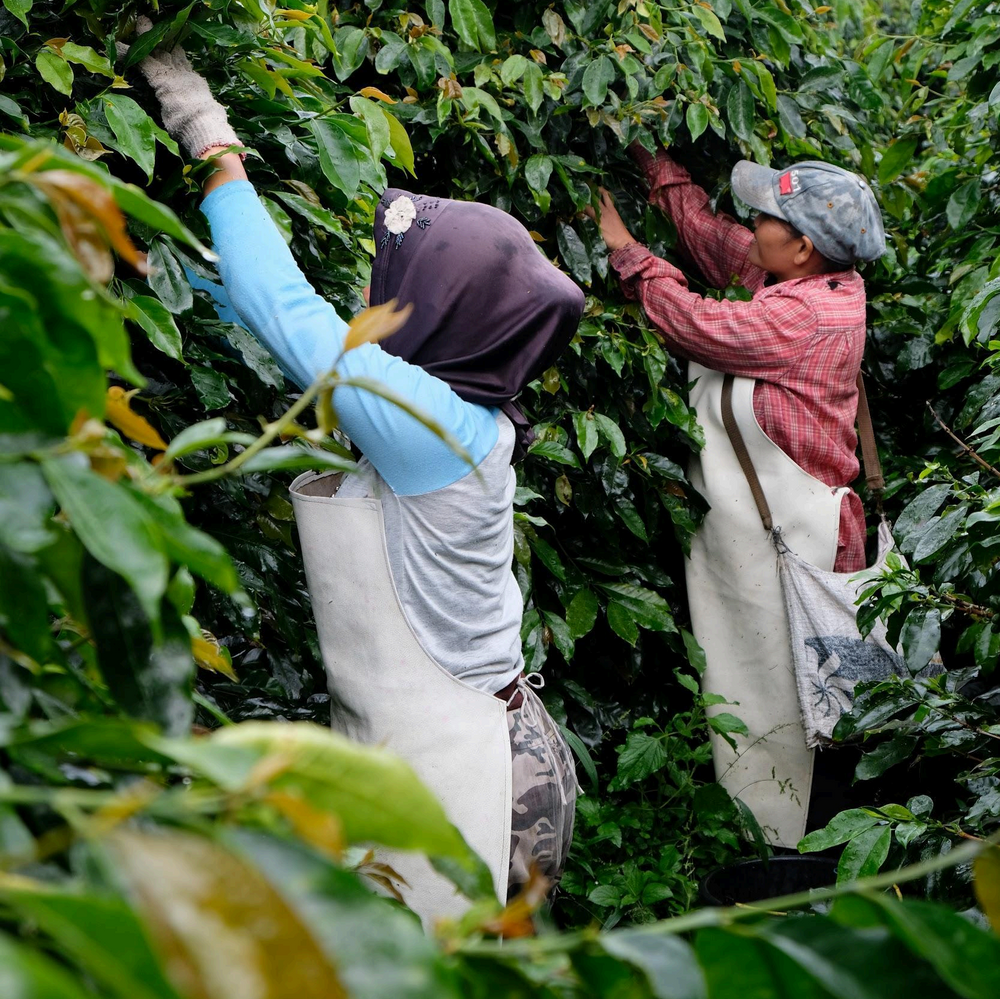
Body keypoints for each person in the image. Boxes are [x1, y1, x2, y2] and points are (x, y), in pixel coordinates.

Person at [123, 24, 581, 922]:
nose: (376, 300)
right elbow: (259, 305)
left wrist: (210, 137)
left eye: (398, 286)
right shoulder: (459, 411)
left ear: (446, 312)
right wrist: (151, 260)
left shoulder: (429, 425)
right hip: (468, 749)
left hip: (468, 780)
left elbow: (285, 310)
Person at [588, 144, 886, 848]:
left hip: (797, 536)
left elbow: (695, 321)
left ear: (804, 248)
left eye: (767, 217)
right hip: (766, 533)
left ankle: (799, 853)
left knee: (798, 696)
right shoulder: (801, 279)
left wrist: (627, 250)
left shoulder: (808, 317)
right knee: (769, 687)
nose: (752, 224)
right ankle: (781, 833)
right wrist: (655, 163)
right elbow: (714, 239)